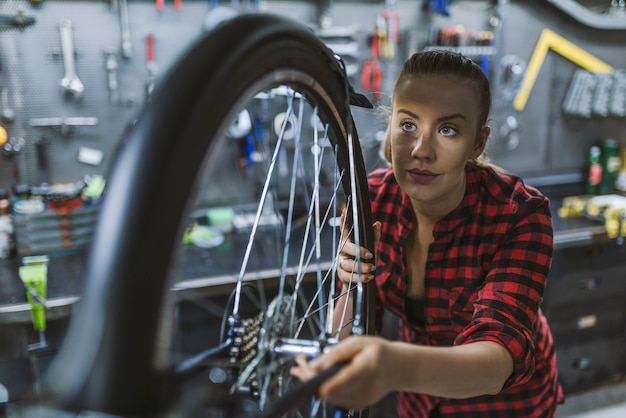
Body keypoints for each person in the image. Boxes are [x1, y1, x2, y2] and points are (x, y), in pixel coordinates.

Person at [291, 49, 563, 417]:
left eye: (447, 130)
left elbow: (499, 357)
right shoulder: (370, 199)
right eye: (408, 125)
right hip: (419, 401)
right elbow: (349, 330)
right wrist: (350, 283)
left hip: (505, 406)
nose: (421, 150)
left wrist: (396, 366)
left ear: (477, 143)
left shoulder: (519, 214)